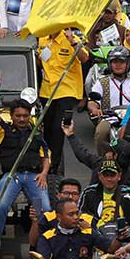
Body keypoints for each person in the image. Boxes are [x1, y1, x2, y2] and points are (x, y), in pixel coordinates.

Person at [0, 76, 50, 259]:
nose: (22, 119)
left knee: (43, 209)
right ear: (11, 116)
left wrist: (44, 173)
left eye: (25, 116)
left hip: (33, 178)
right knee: (1, 207)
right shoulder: (3, 130)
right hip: (11, 177)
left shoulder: (36, 134)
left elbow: (45, 157)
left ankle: (39, 249)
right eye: (18, 116)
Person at [38, 28, 87, 173]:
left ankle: (54, 166)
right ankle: (45, 160)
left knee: (58, 128)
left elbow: (84, 58)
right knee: (45, 129)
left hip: (66, 91)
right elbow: (40, 62)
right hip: (47, 91)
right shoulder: (42, 39)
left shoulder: (71, 38)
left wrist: (72, 41)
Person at [88, 46, 130, 155]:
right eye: (115, 62)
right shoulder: (102, 82)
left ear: (128, 64)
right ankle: (104, 159)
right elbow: (92, 101)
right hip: (110, 118)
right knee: (101, 132)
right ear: (110, 64)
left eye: (121, 62)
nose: (118, 65)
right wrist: (94, 108)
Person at [78, 159, 130, 228]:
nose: (109, 179)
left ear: (119, 176)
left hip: (124, 235)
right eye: (105, 175)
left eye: (112, 175)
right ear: (99, 176)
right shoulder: (88, 192)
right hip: (95, 236)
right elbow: (79, 215)